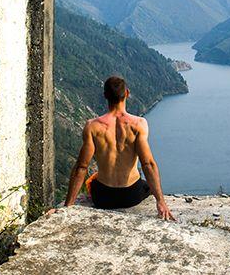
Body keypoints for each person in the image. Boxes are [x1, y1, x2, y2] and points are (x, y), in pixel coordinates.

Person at [63, 75, 176, 220]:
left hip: (103, 197)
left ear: (105, 96)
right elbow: (148, 164)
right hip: (131, 195)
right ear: (127, 93)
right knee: (144, 185)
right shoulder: (139, 124)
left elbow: (81, 167)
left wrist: (68, 206)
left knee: (93, 180)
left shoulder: (92, 126)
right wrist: (161, 202)